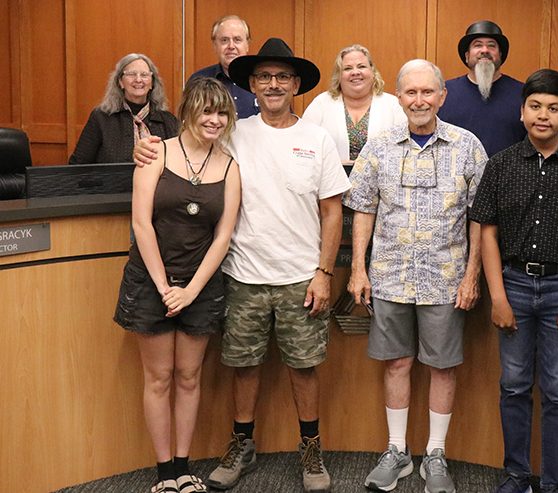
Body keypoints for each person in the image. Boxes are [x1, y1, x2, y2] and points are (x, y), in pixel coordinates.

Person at [135, 38, 349, 493]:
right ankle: (241, 445)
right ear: (251, 84)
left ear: (296, 85)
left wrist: (325, 272)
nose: (274, 84)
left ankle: (311, 451)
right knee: (243, 364)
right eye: (265, 77)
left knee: (304, 366)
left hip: (301, 276)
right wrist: (148, 148)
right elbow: (190, 143)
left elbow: (333, 211)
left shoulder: (317, 138)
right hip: (241, 275)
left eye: (283, 77)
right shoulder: (233, 132)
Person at [344, 59, 487, 493]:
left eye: (428, 92)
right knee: (397, 362)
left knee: (442, 367)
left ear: (442, 97)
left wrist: (472, 275)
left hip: (446, 279)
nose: (419, 100)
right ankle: (397, 452)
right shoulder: (379, 146)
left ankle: (436, 455)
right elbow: (364, 208)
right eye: (411, 92)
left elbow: (481, 217)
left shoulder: (466, 146)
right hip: (388, 276)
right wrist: (357, 270)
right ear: (399, 97)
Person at [470, 69, 558, 493]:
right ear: (522, 110)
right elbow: (486, 231)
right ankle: (515, 475)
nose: (543, 115)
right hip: (511, 284)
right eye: (535, 106)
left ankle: (554, 483)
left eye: (553, 108)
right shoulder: (501, 164)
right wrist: (497, 296)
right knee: (512, 386)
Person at [114, 77, 241, 493]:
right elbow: (141, 223)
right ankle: (165, 474)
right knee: (159, 378)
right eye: (206, 110)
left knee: (189, 377)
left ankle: (185, 470)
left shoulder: (230, 166)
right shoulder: (155, 153)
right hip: (151, 281)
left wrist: (189, 289)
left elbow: (223, 236)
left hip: (200, 285)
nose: (215, 120)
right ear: (188, 112)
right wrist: (165, 285)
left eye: (222, 112)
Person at [302, 44, 405, 164]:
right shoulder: (321, 104)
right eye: (347, 68)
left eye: (361, 66)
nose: (355, 72)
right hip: (332, 179)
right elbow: (304, 147)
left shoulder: (393, 105)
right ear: (339, 76)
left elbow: (404, 150)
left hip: (381, 180)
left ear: (372, 72)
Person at [69, 53, 178, 164]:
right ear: (120, 82)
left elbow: (178, 165)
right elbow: (78, 165)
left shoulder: (168, 121)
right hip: (111, 181)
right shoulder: (101, 118)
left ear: (152, 83)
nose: (138, 80)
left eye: (144, 75)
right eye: (131, 74)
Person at [438, 20, 525, 157]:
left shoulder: (523, 94)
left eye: (491, 46)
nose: (485, 50)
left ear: (500, 55)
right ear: (467, 56)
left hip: (508, 177)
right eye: (477, 45)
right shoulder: (443, 94)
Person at [189, 15, 259, 118]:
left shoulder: (263, 80)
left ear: (247, 44)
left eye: (237, 40)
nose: (231, 46)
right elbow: (188, 123)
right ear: (215, 45)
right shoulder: (198, 81)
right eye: (224, 40)